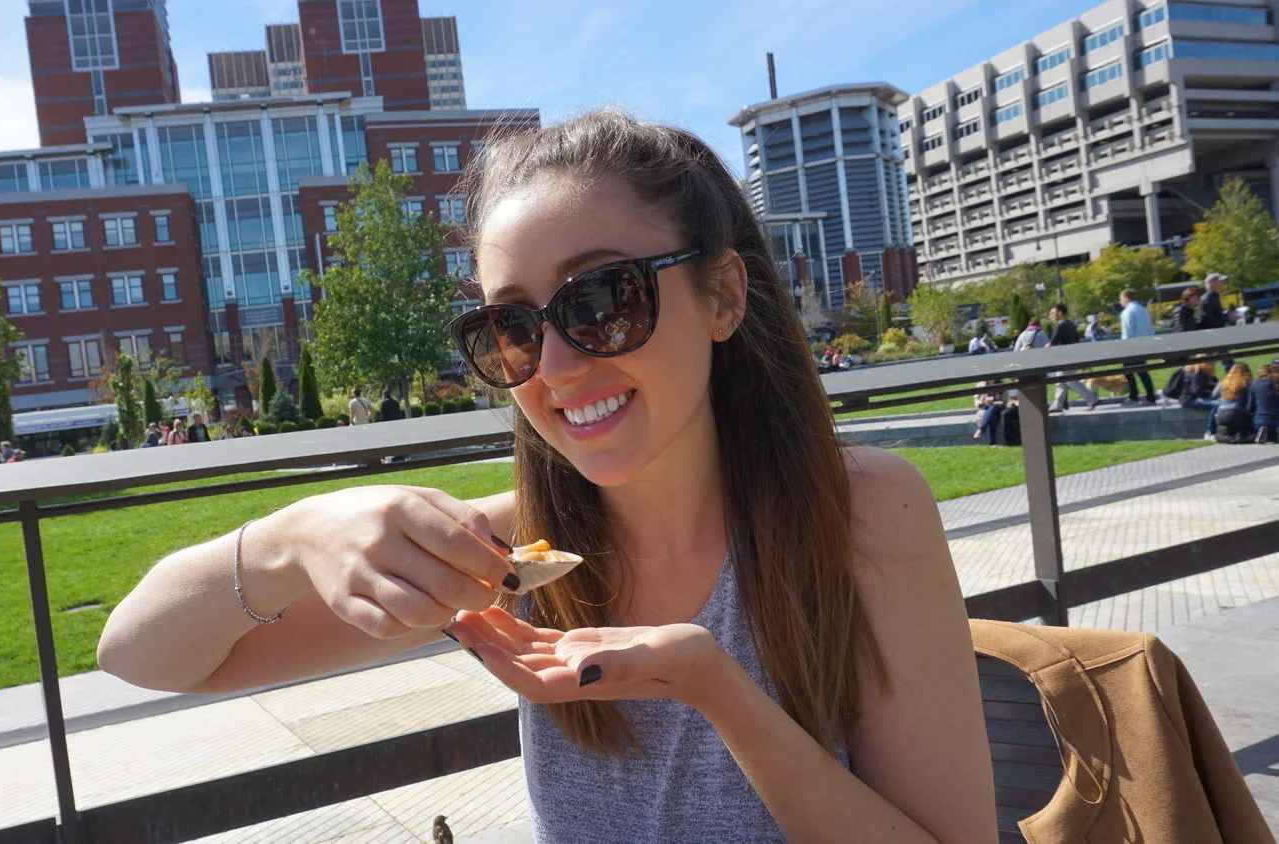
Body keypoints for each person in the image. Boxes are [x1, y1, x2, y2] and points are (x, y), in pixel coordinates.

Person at [97, 110, 995, 841]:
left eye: (602, 299)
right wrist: (296, 537)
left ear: (723, 295)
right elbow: (142, 655)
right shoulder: (504, 556)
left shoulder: (859, 511)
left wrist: (719, 692)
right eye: (514, 327)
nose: (556, 368)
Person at [1046, 304, 1098, 412]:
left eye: (1053, 313)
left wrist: (1041, 351)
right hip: (1071, 357)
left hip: (1063, 359)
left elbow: (1052, 342)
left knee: (1070, 381)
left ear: (1060, 313)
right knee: (1061, 383)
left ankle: (1092, 399)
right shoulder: (1071, 324)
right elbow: (1077, 340)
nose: (1051, 316)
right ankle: (1057, 405)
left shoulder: (1060, 326)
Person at [1118, 289, 1158, 405]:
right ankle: (1150, 396)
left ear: (1126, 298)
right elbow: (1151, 329)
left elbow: (1128, 332)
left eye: (1121, 299)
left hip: (1132, 347)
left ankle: (1134, 396)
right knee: (1142, 371)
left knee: (1128, 371)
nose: (1120, 302)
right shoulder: (1143, 310)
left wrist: (1124, 348)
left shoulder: (1127, 312)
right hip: (1144, 345)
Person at [1211, 363, 1255, 442]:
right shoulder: (1246, 383)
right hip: (1237, 413)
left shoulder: (1223, 382)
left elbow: (1214, 395)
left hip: (1221, 413)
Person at [972, 380, 1006, 447]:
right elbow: (976, 402)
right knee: (991, 416)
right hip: (985, 409)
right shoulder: (980, 385)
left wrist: (994, 402)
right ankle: (993, 444)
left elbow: (1004, 402)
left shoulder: (1002, 384)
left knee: (993, 408)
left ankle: (981, 430)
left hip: (998, 408)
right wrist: (983, 402)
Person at [1251, 364, 1279, 444]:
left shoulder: (1255, 384)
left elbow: (1249, 406)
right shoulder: (1276, 383)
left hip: (1260, 419)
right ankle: (1275, 432)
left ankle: (1265, 432)